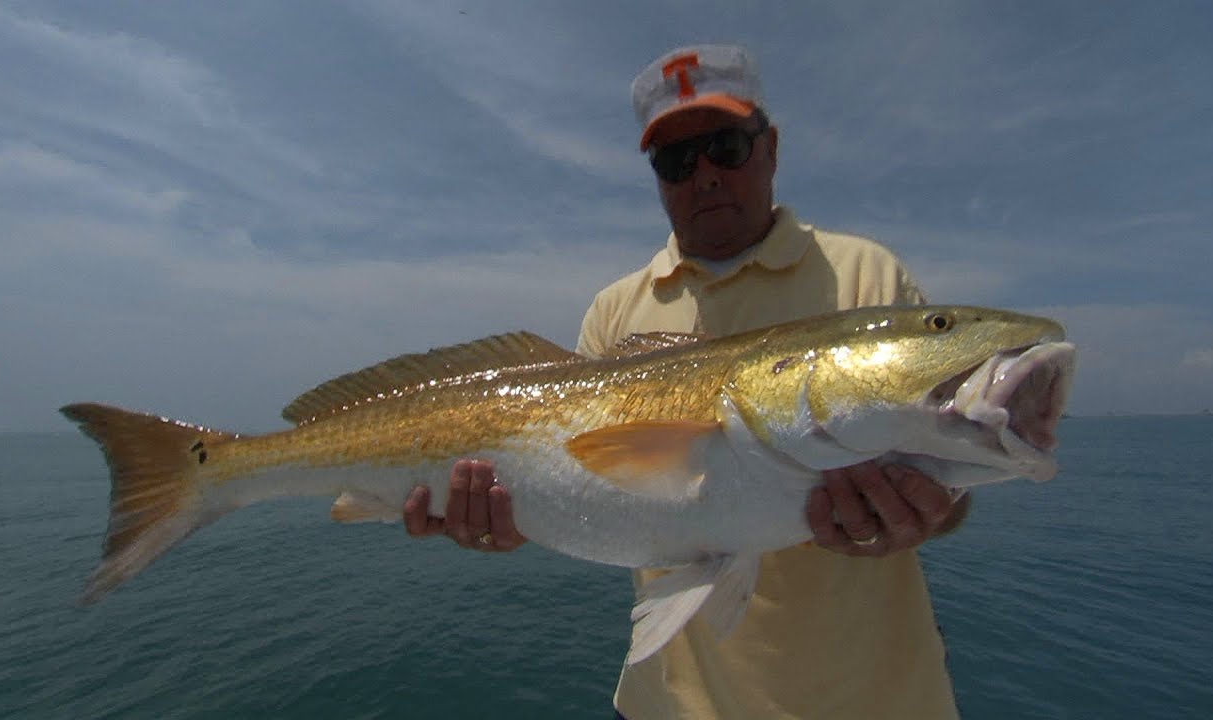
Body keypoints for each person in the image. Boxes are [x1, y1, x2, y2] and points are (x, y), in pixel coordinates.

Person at [403, 44, 971, 719]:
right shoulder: (614, 313)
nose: (703, 176)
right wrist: (506, 518)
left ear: (772, 149)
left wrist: (931, 512)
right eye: (675, 162)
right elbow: (585, 491)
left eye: (725, 146)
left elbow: (952, 480)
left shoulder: (868, 283)